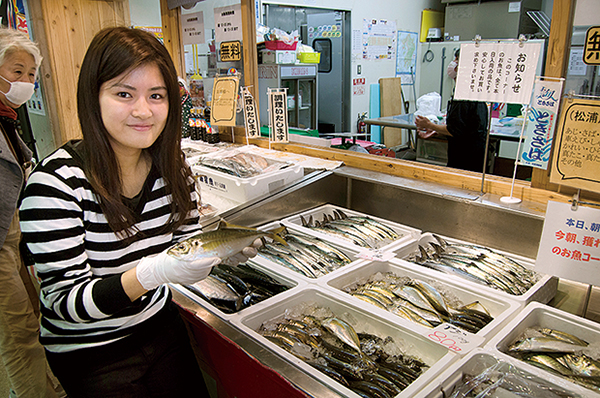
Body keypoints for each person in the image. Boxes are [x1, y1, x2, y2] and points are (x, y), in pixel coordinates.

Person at [19, 27, 258, 397]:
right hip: (89, 351)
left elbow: (185, 247)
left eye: (156, 95)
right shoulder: (53, 185)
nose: (143, 110)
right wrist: (151, 273)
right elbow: (66, 303)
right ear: (93, 97)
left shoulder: (174, 170)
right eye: (123, 94)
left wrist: (220, 252)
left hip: (158, 325)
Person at [0, 27, 65, 398]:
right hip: (2, 245)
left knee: (31, 322)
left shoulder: (8, 118)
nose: (25, 82)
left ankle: (47, 385)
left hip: (16, 241)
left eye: (30, 74)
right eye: (16, 71)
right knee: (18, 331)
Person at [415, 49, 488, 172]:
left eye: (457, 60)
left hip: (466, 155)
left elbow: (455, 130)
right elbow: (463, 127)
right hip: (470, 150)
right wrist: (436, 131)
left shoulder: (464, 94)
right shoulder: (471, 90)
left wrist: (429, 125)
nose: (453, 64)